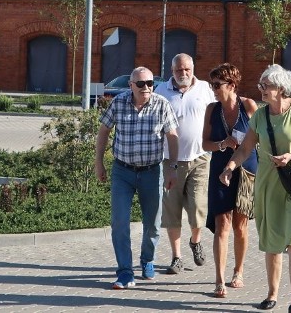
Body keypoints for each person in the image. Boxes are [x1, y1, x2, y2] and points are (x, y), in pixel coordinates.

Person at [219, 64, 291, 313]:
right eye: (261, 85)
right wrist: (230, 167)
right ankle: (272, 294)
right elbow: (245, 148)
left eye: (266, 85)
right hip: (268, 183)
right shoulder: (261, 115)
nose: (261, 89)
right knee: (272, 240)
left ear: (281, 88)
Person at [95, 66, 179, 289]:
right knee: (119, 222)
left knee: (152, 223)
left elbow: (172, 136)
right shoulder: (119, 102)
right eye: (140, 84)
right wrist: (98, 162)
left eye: (150, 83)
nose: (146, 88)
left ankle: (147, 260)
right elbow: (104, 130)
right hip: (122, 171)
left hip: (152, 171)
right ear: (130, 85)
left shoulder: (161, 104)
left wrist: (172, 168)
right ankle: (124, 271)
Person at [155, 54, 216, 275]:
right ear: (172, 70)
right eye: (179, 70)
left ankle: (195, 241)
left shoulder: (205, 89)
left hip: (199, 158)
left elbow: (216, 115)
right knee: (172, 210)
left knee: (198, 206)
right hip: (171, 161)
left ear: (193, 68)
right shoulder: (161, 91)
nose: (183, 74)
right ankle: (176, 257)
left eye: (187, 69)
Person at [201, 63, 258, 298]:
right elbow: (204, 144)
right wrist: (223, 143)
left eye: (217, 85)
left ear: (231, 85)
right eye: (211, 84)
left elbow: (259, 137)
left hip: (246, 170)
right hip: (219, 169)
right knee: (221, 224)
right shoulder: (211, 109)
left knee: (240, 225)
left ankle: (238, 271)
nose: (213, 89)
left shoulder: (249, 106)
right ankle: (219, 280)